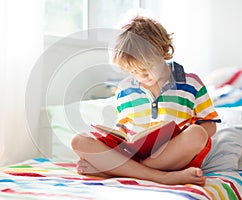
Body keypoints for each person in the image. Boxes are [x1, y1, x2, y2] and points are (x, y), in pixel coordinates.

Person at [71, 14, 220, 186]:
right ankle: (157, 176)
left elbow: (210, 125)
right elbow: (124, 129)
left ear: (163, 50)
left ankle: (123, 171)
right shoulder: (125, 89)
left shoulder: (191, 83)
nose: (141, 76)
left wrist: (107, 164)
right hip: (135, 153)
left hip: (173, 156)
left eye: (146, 68)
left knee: (197, 134)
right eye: (133, 71)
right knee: (79, 141)